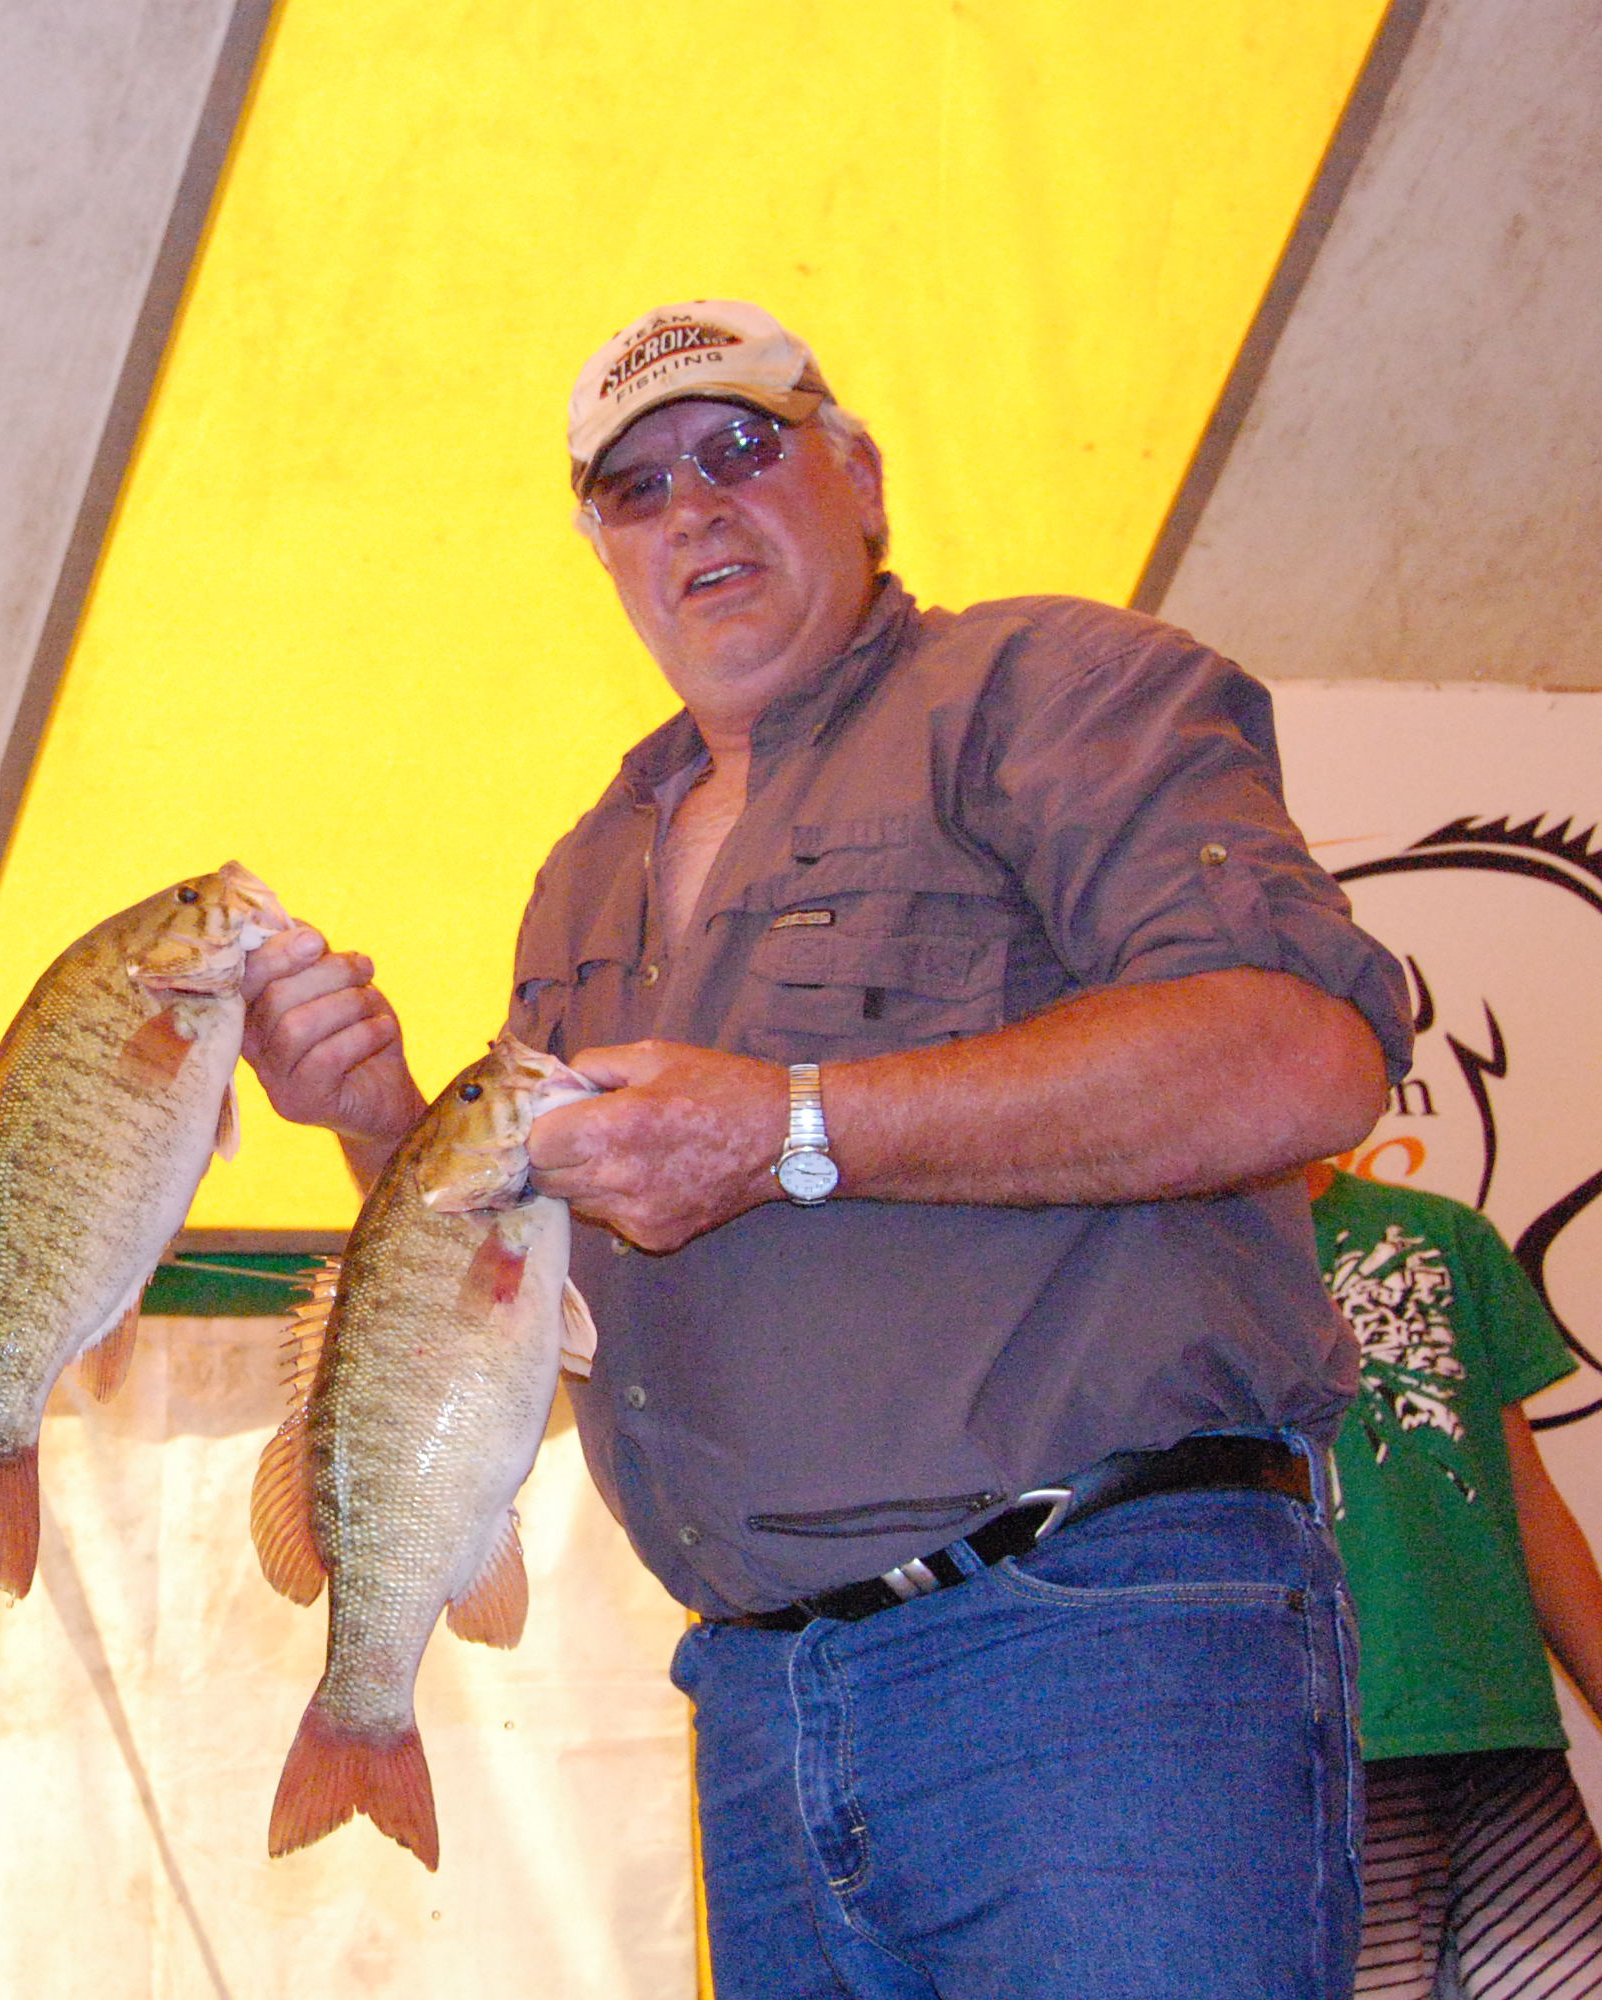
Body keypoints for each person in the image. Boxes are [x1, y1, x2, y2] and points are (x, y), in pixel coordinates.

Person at [239, 300, 1414, 1997]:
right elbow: (516, 1298)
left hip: (1092, 1649)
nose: (694, 509)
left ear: (858, 477)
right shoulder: (581, 872)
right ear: (599, 549)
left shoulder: (1048, 687)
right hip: (751, 1701)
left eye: (741, 448)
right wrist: (374, 1120)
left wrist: (794, 1127)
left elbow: (1302, 1059)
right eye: (635, 487)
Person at [1309, 1162, 1602, 1997]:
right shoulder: (1156, 1251)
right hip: (1310, 1755)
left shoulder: (1444, 1235)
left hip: (1499, 1730)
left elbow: (1526, 1500)